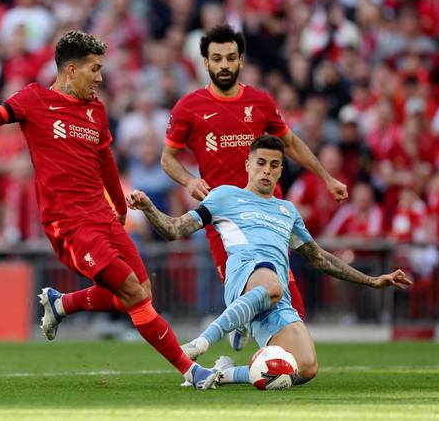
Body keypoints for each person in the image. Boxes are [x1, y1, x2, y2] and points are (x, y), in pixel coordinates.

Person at [0, 30, 220, 390]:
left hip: (102, 216)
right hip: (68, 223)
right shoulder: (33, 99)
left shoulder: (96, 109)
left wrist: (120, 212)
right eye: (94, 69)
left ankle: (61, 304)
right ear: (70, 70)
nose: (99, 77)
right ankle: (191, 371)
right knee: (133, 293)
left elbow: (106, 159)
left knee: (142, 292)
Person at [128, 136, 411, 386]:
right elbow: (174, 229)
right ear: (248, 166)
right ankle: (201, 342)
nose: (267, 170)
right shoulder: (224, 196)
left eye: (274, 165)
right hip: (244, 275)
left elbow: (320, 257)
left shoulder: (287, 210)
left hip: (278, 298)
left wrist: (372, 280)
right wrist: (149, 208)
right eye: (261, 162)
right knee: (272, 282)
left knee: (304, 368)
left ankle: (220, 373)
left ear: (280, 172)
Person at [161, 24, 348, 337]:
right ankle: (252, 334)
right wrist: (189, 180)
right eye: (217, 58)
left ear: (241, 61)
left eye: (230, 58)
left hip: (266, 212)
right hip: (222, 218)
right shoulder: (188, 107)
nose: (224, 65)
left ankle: (280, 352)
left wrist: (326, 177)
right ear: (205, 63)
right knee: (244, 292)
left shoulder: (260, 102)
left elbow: (290, 143)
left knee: (283, 291)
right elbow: (167, 158)